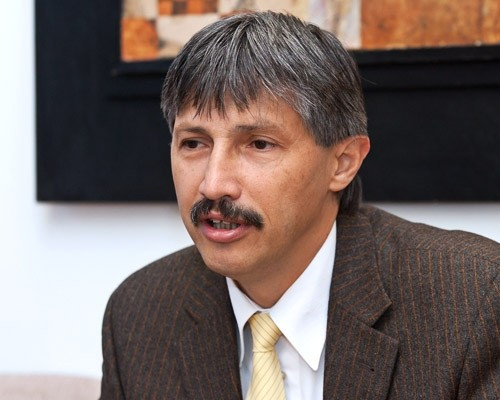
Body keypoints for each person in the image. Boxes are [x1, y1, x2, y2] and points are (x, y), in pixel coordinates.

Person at [100, 11, 499, 400]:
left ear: (342, 163)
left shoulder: (473, 301)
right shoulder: (139, 315)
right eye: (194, 143)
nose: (213, 184)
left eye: (259, 144)